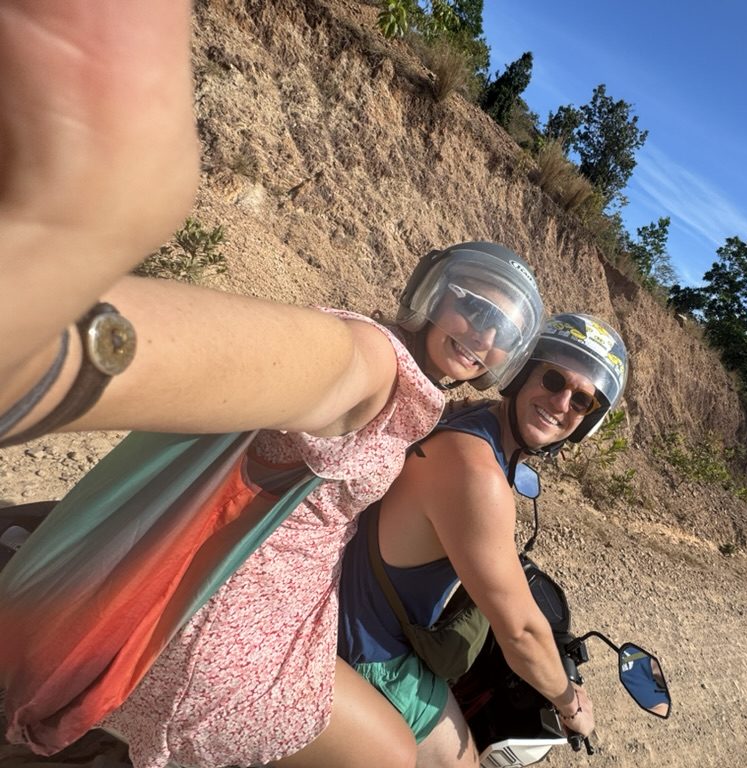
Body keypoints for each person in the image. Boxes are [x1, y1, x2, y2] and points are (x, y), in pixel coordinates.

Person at [0, 3, 551, 767]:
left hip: (252, 598)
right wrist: (42, 337)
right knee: (397, 756)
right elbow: (247, 361)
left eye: (502, 328)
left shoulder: (422, 408)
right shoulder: (371, 364)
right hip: (231, 635)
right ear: (435, 293)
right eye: (471, 302)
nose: (481, 333)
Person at [338, 314, 629, 766]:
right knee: (463, 760)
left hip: (355, 609)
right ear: (522, 372)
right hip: (373, 654)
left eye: (583, 402)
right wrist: (571, 704)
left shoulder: (472, 423)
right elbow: (521, 633)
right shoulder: (480, 475)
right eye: (553, 378)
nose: (561, 401)